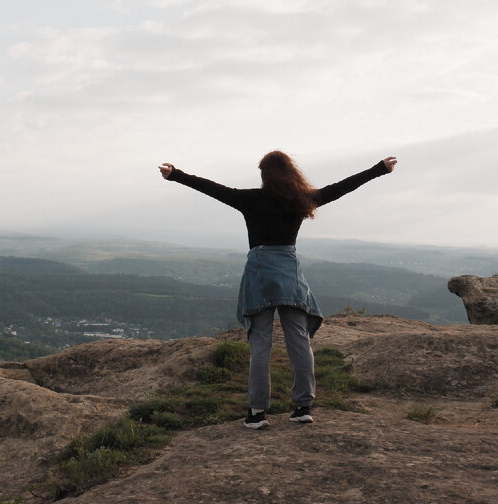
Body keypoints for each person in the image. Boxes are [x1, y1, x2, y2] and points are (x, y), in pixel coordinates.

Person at [159, 151, 397, 429]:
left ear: (264, 175)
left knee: (260, 344)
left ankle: (258, 412)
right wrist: (378, 169)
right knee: (298, 340)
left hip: (259, 274)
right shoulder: (300, 200)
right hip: (289, 274)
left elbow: (212, 189)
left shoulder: (250, 199)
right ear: (290, 173)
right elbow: (340, 188)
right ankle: (303, 407)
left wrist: (175, 174)